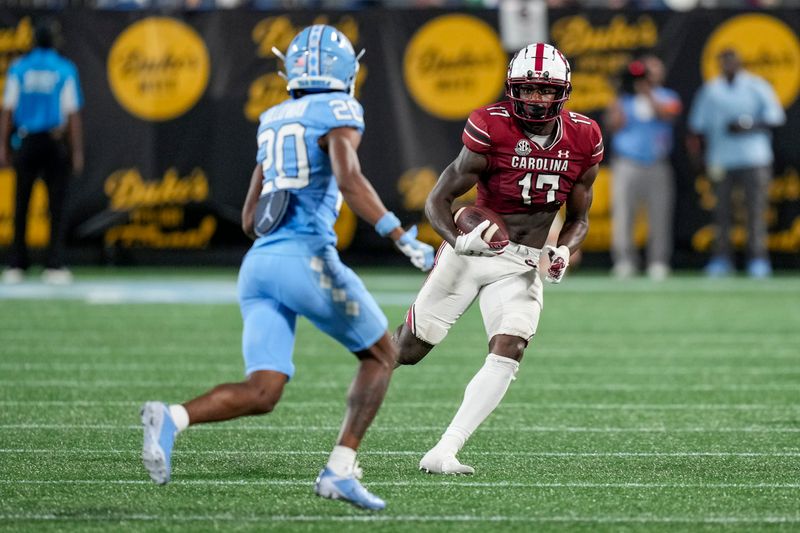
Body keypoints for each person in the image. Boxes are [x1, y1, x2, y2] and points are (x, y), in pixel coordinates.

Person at [139, 25, 434, 511]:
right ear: (344, 71)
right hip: (305, 258)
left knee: (264, 390)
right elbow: (348, 176)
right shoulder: (340, 110)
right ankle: (339, 471)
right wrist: (400, 235)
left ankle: (173, 417)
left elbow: (251, 220)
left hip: (259, 268)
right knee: (382, 355)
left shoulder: (273, 118)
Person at [393, 43, 603, 474]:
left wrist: (563, 249)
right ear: (513, 89)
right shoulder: (491, 126)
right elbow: (439, 199)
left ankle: (445, 450)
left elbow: (580, 217)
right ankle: (367, 359)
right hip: (472, 251)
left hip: (522, 260)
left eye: (547, 91)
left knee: (511, 345)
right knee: (408, 350)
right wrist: (457, 238)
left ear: (563, 93)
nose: (537, 99)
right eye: (528, 90)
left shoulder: (584, 136)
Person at [687, 48, 785, 278]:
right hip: (721, 159)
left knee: (756, 211)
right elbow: (697, 127)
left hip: (754, 158)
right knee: (722, 213)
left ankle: (758, 259)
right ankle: (722, 259)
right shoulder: (711, 90)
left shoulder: (756, 86)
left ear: (739, 63)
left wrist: (748, 125)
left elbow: (776, 118)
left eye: (732, 61)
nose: (728, 65)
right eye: (724, 62)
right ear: (719, 64)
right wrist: (698, 159)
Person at [0, 18, 84, 285]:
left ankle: (17, 264)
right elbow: (73, 114)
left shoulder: (19, 68)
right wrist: (77, 150)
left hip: (25, 140)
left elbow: (8, 110)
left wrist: (3, 145)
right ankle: (54, 265)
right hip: (53, 141)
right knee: (56, 206)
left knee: (21, 204)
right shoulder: (64, 68)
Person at [605, 56, 681, 280]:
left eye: (652, 72)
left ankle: (658, 261)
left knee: (659, 214)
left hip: (657, 163)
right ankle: (625, 260)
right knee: (624, 213)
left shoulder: (669, 97)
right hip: (627, 162)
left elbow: (668, 114)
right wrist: (619, 94)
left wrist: (647, 92)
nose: (648, 76)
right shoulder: (625, 99)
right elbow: (613, 125)